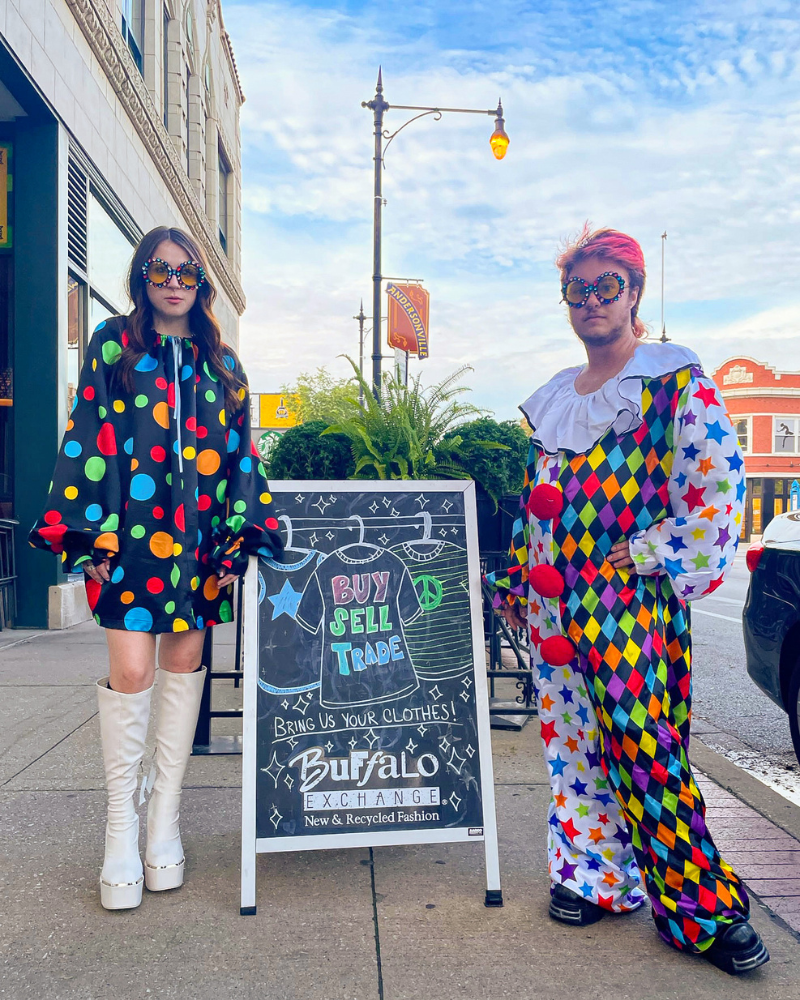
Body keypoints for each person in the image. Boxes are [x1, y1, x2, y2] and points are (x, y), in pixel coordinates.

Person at [486, 225, 768, 975]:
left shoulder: (675, 382)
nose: (591, 302)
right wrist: (518, 577)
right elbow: (534, 503)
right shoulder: (553, 400)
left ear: (635, 293)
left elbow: (716, 494)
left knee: (647, 752)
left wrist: (651, 551)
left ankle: (699, 908)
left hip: (628, 602)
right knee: (573, 747)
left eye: (606, 287)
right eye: (577, 290)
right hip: (554, 607)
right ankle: (592, 878)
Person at [30, 226, 283, 910]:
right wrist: (92, 533)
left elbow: (241, 457)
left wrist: (237, 539)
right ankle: (121, 827)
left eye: (187, 273)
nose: (174, 282)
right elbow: (88, 430)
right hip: (129, 540)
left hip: (198, 546)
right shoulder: (114, 344)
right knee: (132, 673)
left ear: (201, 283)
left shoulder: (224, 363)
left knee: (181, 670)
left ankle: (162, 822)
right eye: (160, 270)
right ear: (142, 275)